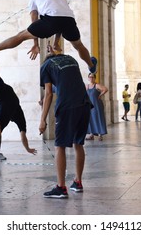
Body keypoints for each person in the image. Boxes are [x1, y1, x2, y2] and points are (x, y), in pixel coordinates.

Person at [0, 0, 97, 73]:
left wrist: (35, 44)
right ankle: (91, 65)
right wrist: (56, 42)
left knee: (20, 35)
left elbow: (34, 20)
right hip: (69, 21)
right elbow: (61, 19)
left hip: (51, 20)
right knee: (79, 46)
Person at [39, 45, 92, 198]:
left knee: (60, 146)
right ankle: (78, 182)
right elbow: (67, 83)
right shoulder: (71, 59)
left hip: (67, 106)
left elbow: (48, 94)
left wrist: (42, 120)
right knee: (78, 143)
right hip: (84, 104)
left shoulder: (45, 66)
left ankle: (61, 187)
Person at [86, 73, 108, 141]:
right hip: (89, 105)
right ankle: (92, 134)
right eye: (90, 77)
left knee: (98, 117)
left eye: (92, 77)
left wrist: (100, 95)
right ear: (88, 78)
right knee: (90, 119)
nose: (91, 78)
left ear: (95, 78)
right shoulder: (87, 86)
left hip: (97, 105)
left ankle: (100, 134)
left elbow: (105, 89)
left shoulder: (97, 85)